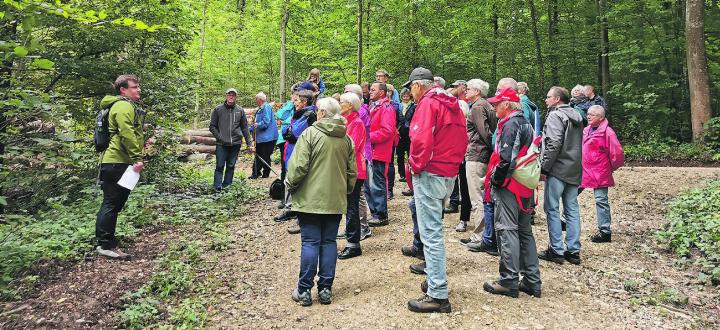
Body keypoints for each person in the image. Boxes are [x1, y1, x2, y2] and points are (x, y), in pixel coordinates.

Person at [402, 67, 467, 313]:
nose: (410, 92)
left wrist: (415, 166)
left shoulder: (429, 104)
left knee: (431, 234)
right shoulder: (453, 103)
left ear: (419, 85)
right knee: (434, 229)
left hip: (431, 171)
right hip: (448, 170)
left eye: (411, 87)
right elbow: (462, 138)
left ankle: (438, 293)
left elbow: (420, 139)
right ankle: (433, 279)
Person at [287, 97, 357, 306]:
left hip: (310, 201)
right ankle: (325, 289)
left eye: (318, 110)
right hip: (334, 200)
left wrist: (290, 185)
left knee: (310, 242)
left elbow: (298, 168)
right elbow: (351, 173)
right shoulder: (346, 138)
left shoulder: (310, 134)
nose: (316, 113)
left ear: (323, 113)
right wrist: (343, 192)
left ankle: (304, 290)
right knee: (328, 242)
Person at [481, 87, 542, 299]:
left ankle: (509, 281)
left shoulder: (511, 124)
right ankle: (532, 281)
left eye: (497, 103)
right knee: (524, 231)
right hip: (525, 184)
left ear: (507, 105)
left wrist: (495, 182)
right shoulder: (526, 122)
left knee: (507, 230)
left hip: (510, 186)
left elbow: (506, 159)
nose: (494, 106)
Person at [95, 74, 146, 259]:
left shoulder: (122, 105)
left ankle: (108, 241)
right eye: (134, 87)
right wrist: (137, 157)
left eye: (138, 86)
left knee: (114, 203)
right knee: (111, 202)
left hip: (117, 161)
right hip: (117, 161)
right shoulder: (123, 105)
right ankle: (105, 244)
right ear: (123, 90)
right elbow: (126, 133)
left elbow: (129, 133)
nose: (138, 89)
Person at [539, 86, 585, 265]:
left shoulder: (555, 115)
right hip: (574, 167)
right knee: (572, 209)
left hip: (558, 168)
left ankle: (556, 250)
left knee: (551, 208)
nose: (546, 100)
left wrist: (544, 167)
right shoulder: (578, 116)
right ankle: (573, 251)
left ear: (558, 99)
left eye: (549, 97)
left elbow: (553, 143)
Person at [459, 78, 498, 247]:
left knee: (477, 197)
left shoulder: (477, 107)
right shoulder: (486, 105)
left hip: (477, 155)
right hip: (483, 155)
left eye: (468, 88)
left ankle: (481, 236)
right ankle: (484, 234)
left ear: (477, 91)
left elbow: (485, 133)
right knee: (482, 196)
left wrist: (489, 149)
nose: (465, 91)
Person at [580, 105, 624, 243]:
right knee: (569, 193)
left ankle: (605, 231)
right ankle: (564, 221)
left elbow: (617, 154)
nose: (588, 116)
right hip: (584, 170)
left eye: (592, 114)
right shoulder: (586, 130)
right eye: (588, 114)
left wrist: (609, 168)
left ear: (601, 117)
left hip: (600, 172)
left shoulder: (608, 132)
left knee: (601, 200)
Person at [274, 89, 317, 229]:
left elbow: (313, 136)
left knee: (301, 184)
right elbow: (291, 128)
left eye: (297, 100)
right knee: (290, 180)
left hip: (302, 154)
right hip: (291, 151)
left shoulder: (311, 115)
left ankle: (302, 218)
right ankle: (291, 209)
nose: (294, 102)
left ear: (304, 102)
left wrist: (296, 138)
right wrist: (287, 133)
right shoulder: (298, 114)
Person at [337, 92, 367, 259]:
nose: (339, 104)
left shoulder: (356, 123)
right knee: (349, 206)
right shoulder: (347, 122)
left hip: (355, 170)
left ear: (349, 105)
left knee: (352, 206)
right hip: (349, 169)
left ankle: (353, 244)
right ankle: (351, 239)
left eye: (341, 102)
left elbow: (350, 148)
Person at [365, 81, 396, 227]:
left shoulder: (386, 108)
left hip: (379, 151)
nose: (370, 91)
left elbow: (387, 131)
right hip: (371, 151)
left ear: (382, 92)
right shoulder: (374, 106)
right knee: (369, 185)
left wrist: (368, 137)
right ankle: (374, 213)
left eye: (373, 89)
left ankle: (381, 214)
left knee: (378, 184)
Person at [210, 88, 253, 192]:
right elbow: (212, 126)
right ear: (226, 96)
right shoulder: (218, 109)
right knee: (219, 166)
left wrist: (249, 143)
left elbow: (244, 128)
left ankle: (227, 187)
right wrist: (219, 137)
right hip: (221, 144)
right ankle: (217, 188)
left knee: (231, 166)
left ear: (236, 97)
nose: (231, 96)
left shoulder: (240, 110)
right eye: (229, 94)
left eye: (233, 95)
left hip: (235, 144)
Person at [344, 84, 373, 240]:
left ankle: (361, 228)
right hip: (352, 164)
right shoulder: (346, 119)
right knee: (352, 200)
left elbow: (351, 146)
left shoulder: (357, 118)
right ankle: (352, 228)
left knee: (357, 197)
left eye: (344, 96)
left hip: (357, 164)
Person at [251, 92, 279, 179]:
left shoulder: (266, 107)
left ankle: (265, 173)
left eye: (256, 99)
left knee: (264, 155)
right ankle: (256, 173)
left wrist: (257, 124)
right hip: (261, 138)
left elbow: (266, 121)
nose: (256, 101)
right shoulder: (260, 109)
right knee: (259, 155)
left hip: (268, 138)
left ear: (260, 100)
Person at [397, 88, 416, 186]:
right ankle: (402, 174)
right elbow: (397, 118)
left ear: (410, 96)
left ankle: (410, 173)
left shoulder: (413, 106)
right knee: (400, 155)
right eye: (404, 96)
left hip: (409, 132)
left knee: (410, 154)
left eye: (407, 96)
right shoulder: (398, 105)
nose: (405, 98)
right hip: (400, 132)